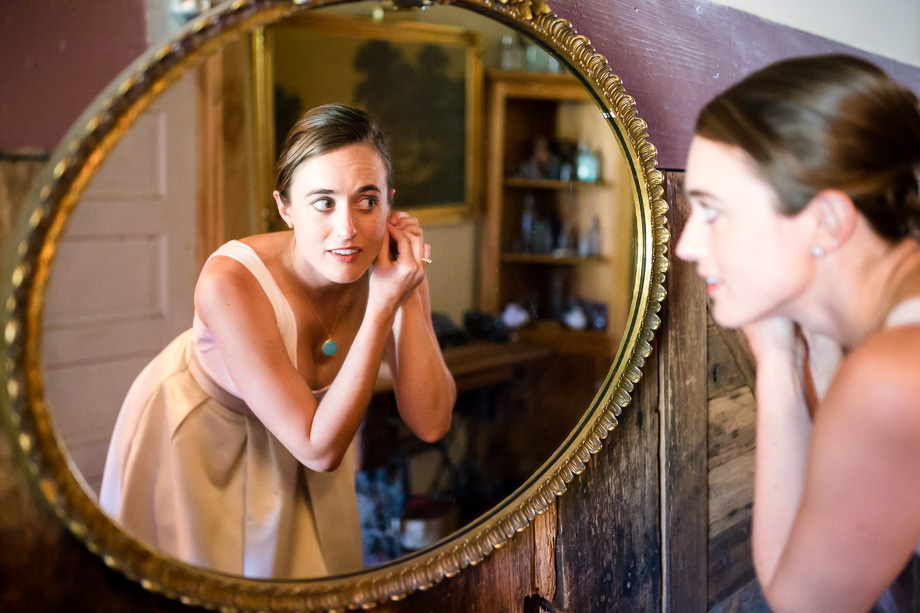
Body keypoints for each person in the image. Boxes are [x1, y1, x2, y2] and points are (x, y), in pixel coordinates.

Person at [99, 104, 456, 579]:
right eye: (323, 202)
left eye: (367, 201)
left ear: (389, 204)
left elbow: (432, 422)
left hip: (313, 441)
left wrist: (407, 296)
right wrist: (381, 307)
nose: (347, 228)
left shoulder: (392, 270)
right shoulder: (230, 281)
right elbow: (320, 449)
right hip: (204, 445)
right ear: (285, 208)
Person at [676, 54, 920, 612]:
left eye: (713, 212)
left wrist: (776, 365)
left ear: (826, 222)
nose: (687, 245)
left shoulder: (892, 375)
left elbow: (804, 605)